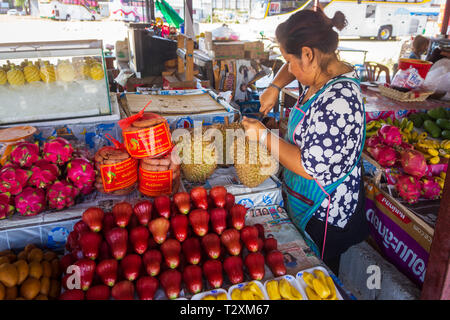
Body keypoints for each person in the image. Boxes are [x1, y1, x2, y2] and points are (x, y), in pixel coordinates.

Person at [241, 9, 369, 276]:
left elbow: (309, 166)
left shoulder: (339, 100)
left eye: (290, 60)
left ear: (308, 54)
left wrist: (263, 135)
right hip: (303, 198)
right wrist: (274, 87)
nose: (289, 68)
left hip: (325, 214)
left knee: (315, 279)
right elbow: (291, 70)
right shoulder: (318, 74)